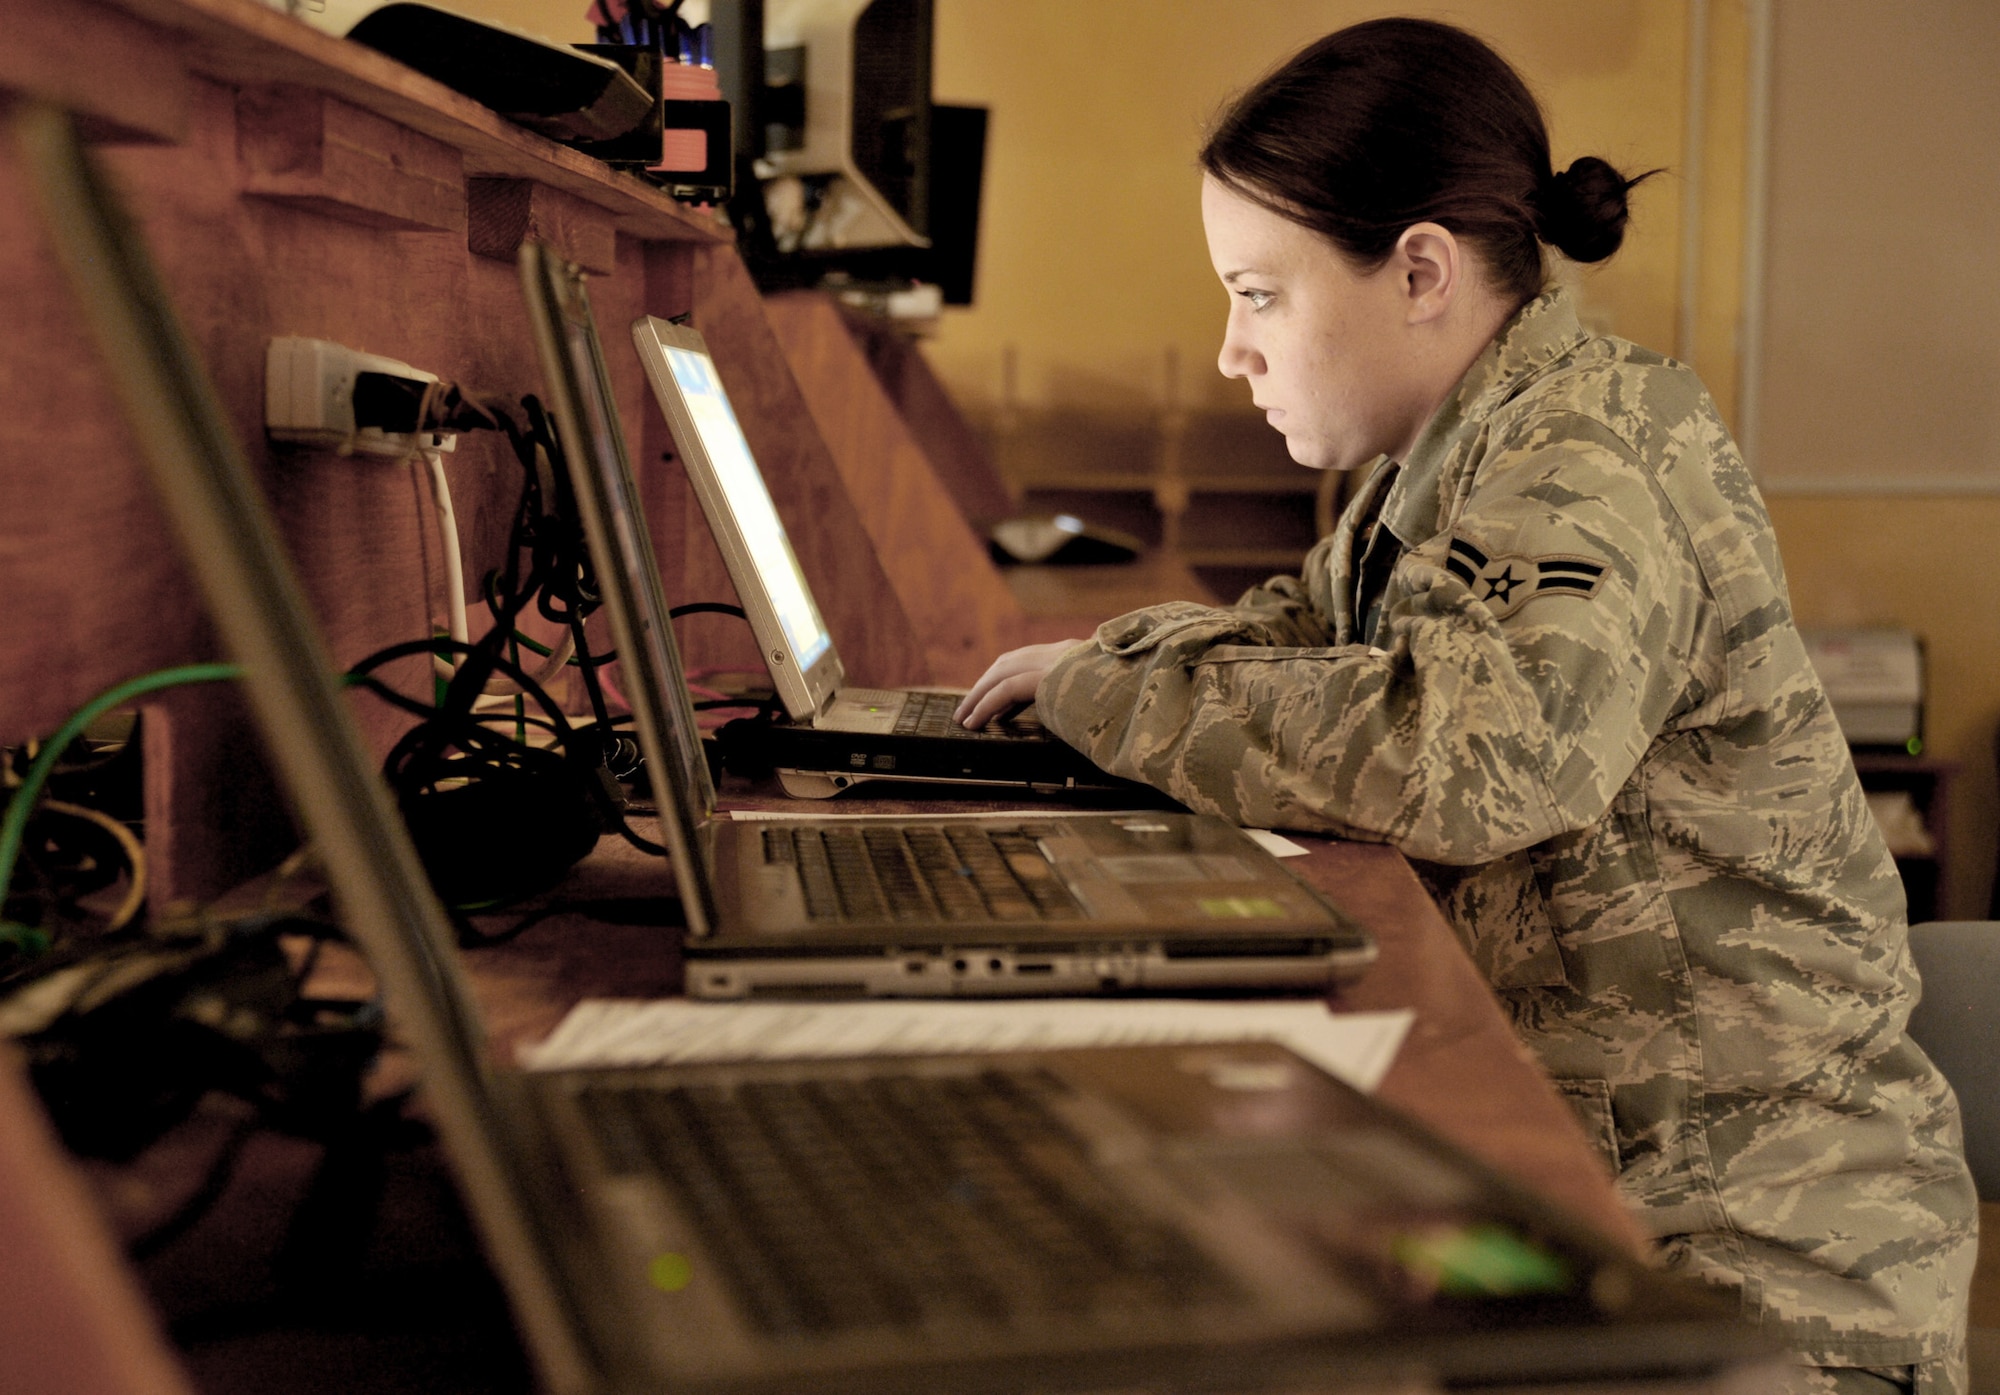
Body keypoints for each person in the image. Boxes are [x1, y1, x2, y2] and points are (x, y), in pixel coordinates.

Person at [955, 18, 1975, 1394]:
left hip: (1752, 1252)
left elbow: (1476, 761)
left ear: (1420, 270)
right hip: (1595, 1162)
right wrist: (1104, 678)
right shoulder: (1446, 456)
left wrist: (1110, 695)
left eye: (1259, 295)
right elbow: (1298, 636)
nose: (1228, 354)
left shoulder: (1584, 458)